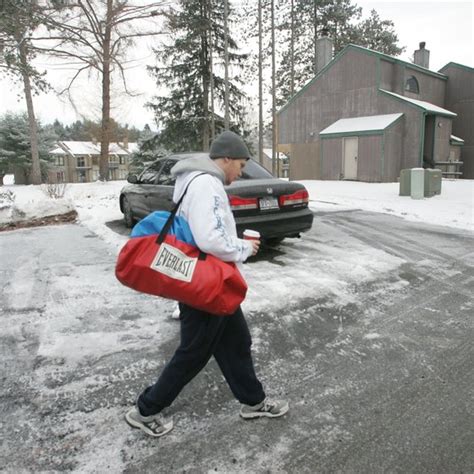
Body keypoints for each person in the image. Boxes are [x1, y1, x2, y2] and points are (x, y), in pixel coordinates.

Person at [125, 131, 289, 437]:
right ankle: (146, 410)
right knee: (194, 352)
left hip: (210, 282)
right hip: (205, 286)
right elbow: (209, 237)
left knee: (237, 343)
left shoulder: (200, 182)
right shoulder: (206, 184)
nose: (240, 172)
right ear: (225, 159)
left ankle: (253, 402)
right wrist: (243, 248)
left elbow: (207, 232)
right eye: (240, 165)